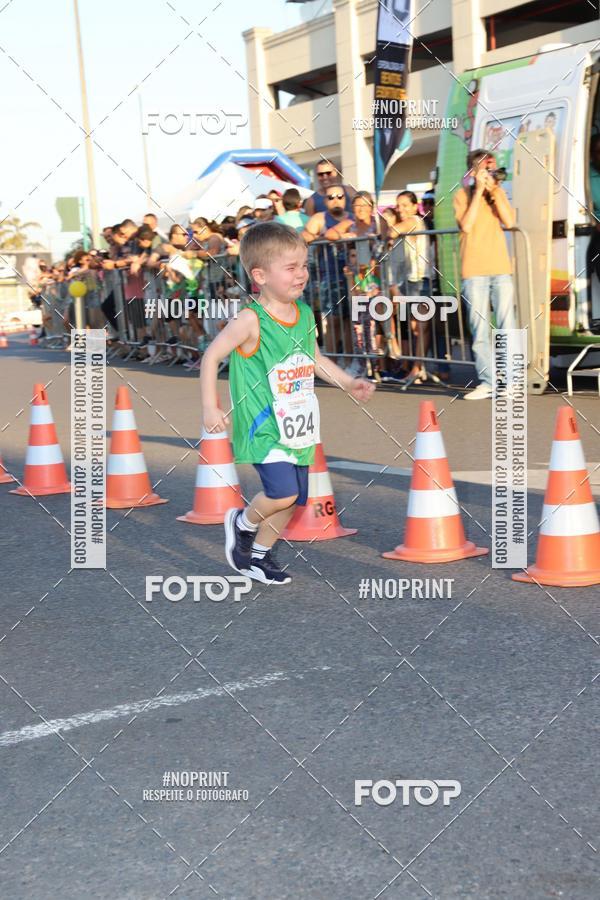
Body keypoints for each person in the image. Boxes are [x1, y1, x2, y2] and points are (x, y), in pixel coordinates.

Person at [200, 221, 375, 585]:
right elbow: (211, 357)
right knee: (283, 492)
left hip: (298, 423)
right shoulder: (250, 320)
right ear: (260, 275)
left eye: (305, 266)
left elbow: (314, 359)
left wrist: (347, 382)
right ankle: (242, 524)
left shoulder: (306, 315)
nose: (302, 275)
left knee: (294, 499)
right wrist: (210, 406)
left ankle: (258, 557)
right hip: (262, 423)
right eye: (291, 268)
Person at [453, 149, 516, 399]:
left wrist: (493, 190)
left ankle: (511, 381)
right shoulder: (462, 195)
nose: (492, 171)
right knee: (479, 330)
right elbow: (466, 225)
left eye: (493, 167)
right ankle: (488, 382)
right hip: (474, 270)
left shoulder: (498, 192)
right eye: (486, 168)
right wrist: (478, 191)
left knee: (506, 327)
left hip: (500, 268)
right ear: (473, 171)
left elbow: (510, 222)